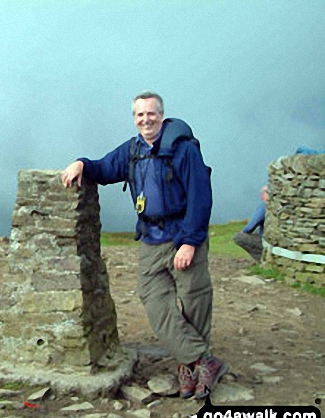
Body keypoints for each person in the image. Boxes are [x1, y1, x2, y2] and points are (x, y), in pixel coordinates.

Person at [61, 91, 228, 400]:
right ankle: (203, 361)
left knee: (194, 301)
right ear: (135, 118)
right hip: (151, 240)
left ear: (161, 116)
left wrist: (190, 243)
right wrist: (81, 164)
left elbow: (200, 197)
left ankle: (189, 368)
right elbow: (104, 168)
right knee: (155, 302)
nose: (145, 120)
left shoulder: (184, 150)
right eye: (140, 115)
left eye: (151, 114)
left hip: (181, 238)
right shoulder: (133, 150)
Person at [233, 186, 267, 261]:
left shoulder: (264, 206)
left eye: (262, 193)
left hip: (265, 240)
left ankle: (260, 258)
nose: (261, 196)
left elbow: (253, 223)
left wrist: (244, 231)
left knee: (238, 237)